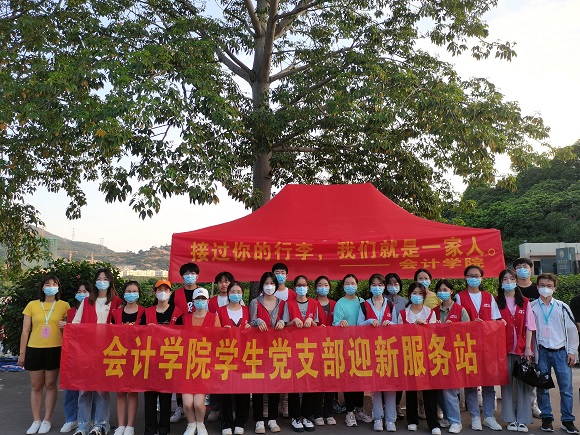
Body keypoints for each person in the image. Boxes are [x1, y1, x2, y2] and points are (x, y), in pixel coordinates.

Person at [72, 268, 122, 435]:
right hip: (87, 351)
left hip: (107, 351)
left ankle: (101, 425)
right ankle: (83, 426)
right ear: (94, 282)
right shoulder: (87, 301)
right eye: (99, 279)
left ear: (110, 281)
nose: (102, 282)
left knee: (101, 390)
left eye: (105, 279)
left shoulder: (116, 302)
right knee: (84, 390)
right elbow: (76, 324)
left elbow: (121, 326)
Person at [18, 275, 70, 435]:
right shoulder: (32, 305)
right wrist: (22, 354)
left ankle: (47, 419)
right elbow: (25, 330)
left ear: (58, 287)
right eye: (47, 284)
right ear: (42, 287)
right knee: (36, 386)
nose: (51, 286)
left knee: (51, 385)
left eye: (54, 284)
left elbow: (68, 332)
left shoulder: (64, 305)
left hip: (55, 348)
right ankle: (36, 420)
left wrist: (65, 326)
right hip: (34, 348)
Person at [454, 265, 502, 431]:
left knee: (489, 382)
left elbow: (496, 320)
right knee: (471, 383)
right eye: (470, 275)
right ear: (465, 277)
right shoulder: (459, 297)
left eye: (476, 275)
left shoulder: (489, 297)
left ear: (482, 278)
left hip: (487, 345)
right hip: (468, 345)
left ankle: (489, 416)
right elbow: (457, 322)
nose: (473, 278)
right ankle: (475, 416)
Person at [530, 273, 579, 434]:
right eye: (542, 285)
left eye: (549, 286)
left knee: (566, 388)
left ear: (555, 288)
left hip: (561, 352)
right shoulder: (531, 307)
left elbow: (572, 330)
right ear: (537, 287)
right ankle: (547, 418)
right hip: (541, 352)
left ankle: (567, 420)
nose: (545, 288)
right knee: (542, 388)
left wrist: (572, 351)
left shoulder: (562, 307)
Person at [141, 279, 184, 435]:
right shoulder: (147, 312)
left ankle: (164, 429)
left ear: (170, 293)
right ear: (155, 292)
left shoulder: (177, 312)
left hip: (168, 358)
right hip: (150, 359)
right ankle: (150, 429)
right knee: (150, 397)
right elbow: (139, 334)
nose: (163, 292)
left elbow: (182, 334)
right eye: (160, 289)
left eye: (166, 289)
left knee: (165, 396)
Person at [396, 282, 440, 435]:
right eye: (414, 293)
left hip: (427, 355)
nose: (417, 296)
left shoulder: (430, 313)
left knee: (429, 389)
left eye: (420, 293)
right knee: (411, 388)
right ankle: (412, 420)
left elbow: (434, 334)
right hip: (409, 354)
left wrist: (425, 327)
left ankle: (433, 423)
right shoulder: (403, 314)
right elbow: (399, 334)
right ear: (409, 295)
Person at [495, 269, 535, 432]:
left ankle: (523, 419)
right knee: (507, 385)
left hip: (521, 349)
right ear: (501, 283)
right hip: (503, 349)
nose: (509, 282)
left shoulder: (524, 301)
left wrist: (528, 348)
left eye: (512, 278)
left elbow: (529, 326)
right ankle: (510, 419)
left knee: (523, 385)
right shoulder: (496, 302)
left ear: (516, 281)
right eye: (505, 279)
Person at [332, 274, 373, 427]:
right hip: (346, 346)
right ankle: (349, 411)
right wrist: (340, 323)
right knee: (349, 379)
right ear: (343, 286)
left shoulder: (362, 302)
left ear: (357, 284)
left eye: (353, 283)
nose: (350, 286)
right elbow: (335, 324)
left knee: (360, 379)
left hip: (361, 346)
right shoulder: (340, 303)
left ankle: (359, 409)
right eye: (347, 283)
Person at [357, 274, 397, 432]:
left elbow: (398, 327)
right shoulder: (364, 305)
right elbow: (358, 326)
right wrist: (367, 322)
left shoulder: (391, 305)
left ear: (384, 286)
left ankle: (391, 419)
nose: (377, 287)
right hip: (371, 350)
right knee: (376, 386)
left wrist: (390, 324)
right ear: (370, 287)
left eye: (380, 285)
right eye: (374, 285)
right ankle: (378, 418)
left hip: (389, 350)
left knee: (390, 386)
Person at [181, 287, 221, 435]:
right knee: (187, 403)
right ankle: (191, 424)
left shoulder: (213, 318)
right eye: (197, 299)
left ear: (207, 301)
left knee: (198, 403)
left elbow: (218, 339)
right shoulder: (185, 318)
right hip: (187, 364)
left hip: (204, 364)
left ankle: (200, 424)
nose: (200, 301)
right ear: (193, 301)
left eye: (203, 299)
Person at [250, 272, 286, 434]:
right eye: (266, 283)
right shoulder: (255, 302)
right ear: (262, 285)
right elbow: (250, 322)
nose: (269, 286)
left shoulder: (282, 303)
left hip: (277, 349)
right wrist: (257, 321)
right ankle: (259, 420)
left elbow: (287, 321)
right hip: (258, 349)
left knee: (274, 383)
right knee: (258, 384)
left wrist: (282, 322)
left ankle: (272, 419)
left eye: (272, 283)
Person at [284, 275, 320, 432]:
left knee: (309, 381)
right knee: (294, 382)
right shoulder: (289, 304)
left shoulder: (314, 303)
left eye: (304, 285)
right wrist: (293, 322)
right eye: (298, 285)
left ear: (308, 288)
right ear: (294, 288)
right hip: (293, 347)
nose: (301, 288)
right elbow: (285, 324)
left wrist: (311, 322)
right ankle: (295, 416)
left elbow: (317, 324)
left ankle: (306, 415)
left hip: (310, 347)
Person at [433, 279, 469, 434]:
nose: (442, 292)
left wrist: (453, 328)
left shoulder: (460, 310)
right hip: (436, 354)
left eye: (445, 289)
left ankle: (456, 421)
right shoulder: (434, 311)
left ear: (451, 291)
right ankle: (447, 417)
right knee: (438, 389)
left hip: (453, 355)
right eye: (440, 290)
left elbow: (468, 332)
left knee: (450, 389)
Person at [110, 281, 146, 435]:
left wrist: (135, 330)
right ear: (124, 294)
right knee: (120, 391)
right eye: (128, 291)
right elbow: (110, 333)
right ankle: (121, 425)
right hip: (120, 355)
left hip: (136, 355)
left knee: (132, 391)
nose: (131, 294)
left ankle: (130, 425)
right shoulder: (116, 313)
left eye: (134, 291)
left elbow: (148, 334)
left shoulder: (144, 312)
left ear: (139, 293)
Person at [169, 262, 203, 424]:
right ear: (182, 276)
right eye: (186, 273)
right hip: (181, 339)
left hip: (200, 340)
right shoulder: (176, 294)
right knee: (180, 373)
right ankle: (181, 407)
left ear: (198, 275)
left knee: (197, 372)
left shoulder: (202, 293)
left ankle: (198, 405)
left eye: (193, 273)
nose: (190, 276)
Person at [217, 281, 251, 435]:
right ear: (228, 294)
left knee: (243, 389)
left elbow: (255, 330)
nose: (235, 294)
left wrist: (251, 328)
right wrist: (221, 331)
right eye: (233, 291)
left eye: (238, 291)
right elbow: (213, 333)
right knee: (225, 390)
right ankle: (227, 422)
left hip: (245, 355)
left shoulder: (247, 310)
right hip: (226, 355)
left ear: (242, 294)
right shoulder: (220, 311)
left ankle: (240, 421)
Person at [60, 281, 91, 433]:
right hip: (72, 354)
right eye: (79, 291)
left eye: (85, 291)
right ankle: (71, 419)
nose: (82, 294)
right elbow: (66, 335)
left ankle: (89, 419)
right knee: (70, 388)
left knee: (87, 389)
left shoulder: (93, 311)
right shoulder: (70, 312)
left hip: (89, 354)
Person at [512, 258, 542, 418]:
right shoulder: (511, 288)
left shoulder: (538, 289)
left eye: (525, 266)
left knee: (532, 370)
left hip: (536, 335)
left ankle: (533, 404)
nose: (522, 269)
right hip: (516, 336)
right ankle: (516, 405)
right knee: (515, 372)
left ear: (531, 269)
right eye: (518, 267)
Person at [208, 271, 236, 423]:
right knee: (215, 376)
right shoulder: (211, 302)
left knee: (231, 376)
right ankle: (215, 408)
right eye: (220, 282)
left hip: (233, 344)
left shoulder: (237, 299)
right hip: (215, 344)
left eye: (226, 281)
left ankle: (231, 408)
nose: (224, 284)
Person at [313, 275, 337, 426]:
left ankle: (329, 413)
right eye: (320, 285)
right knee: (317, 380)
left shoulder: (335, 304)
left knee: (330, 380)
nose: (323, 287)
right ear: (315, 288)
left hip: (333, 347)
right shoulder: (311, 303)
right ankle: (317, 413)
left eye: (326, 285)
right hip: (315, 347)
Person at [385, 272, 407, 421]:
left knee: (399, 376)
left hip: (401, 343)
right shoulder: (381, 300)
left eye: (396, 283)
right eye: (390, 284)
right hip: (383, 344)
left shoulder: (405, 301)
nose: (393, 286)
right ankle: (384, 405)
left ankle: (397, 404)